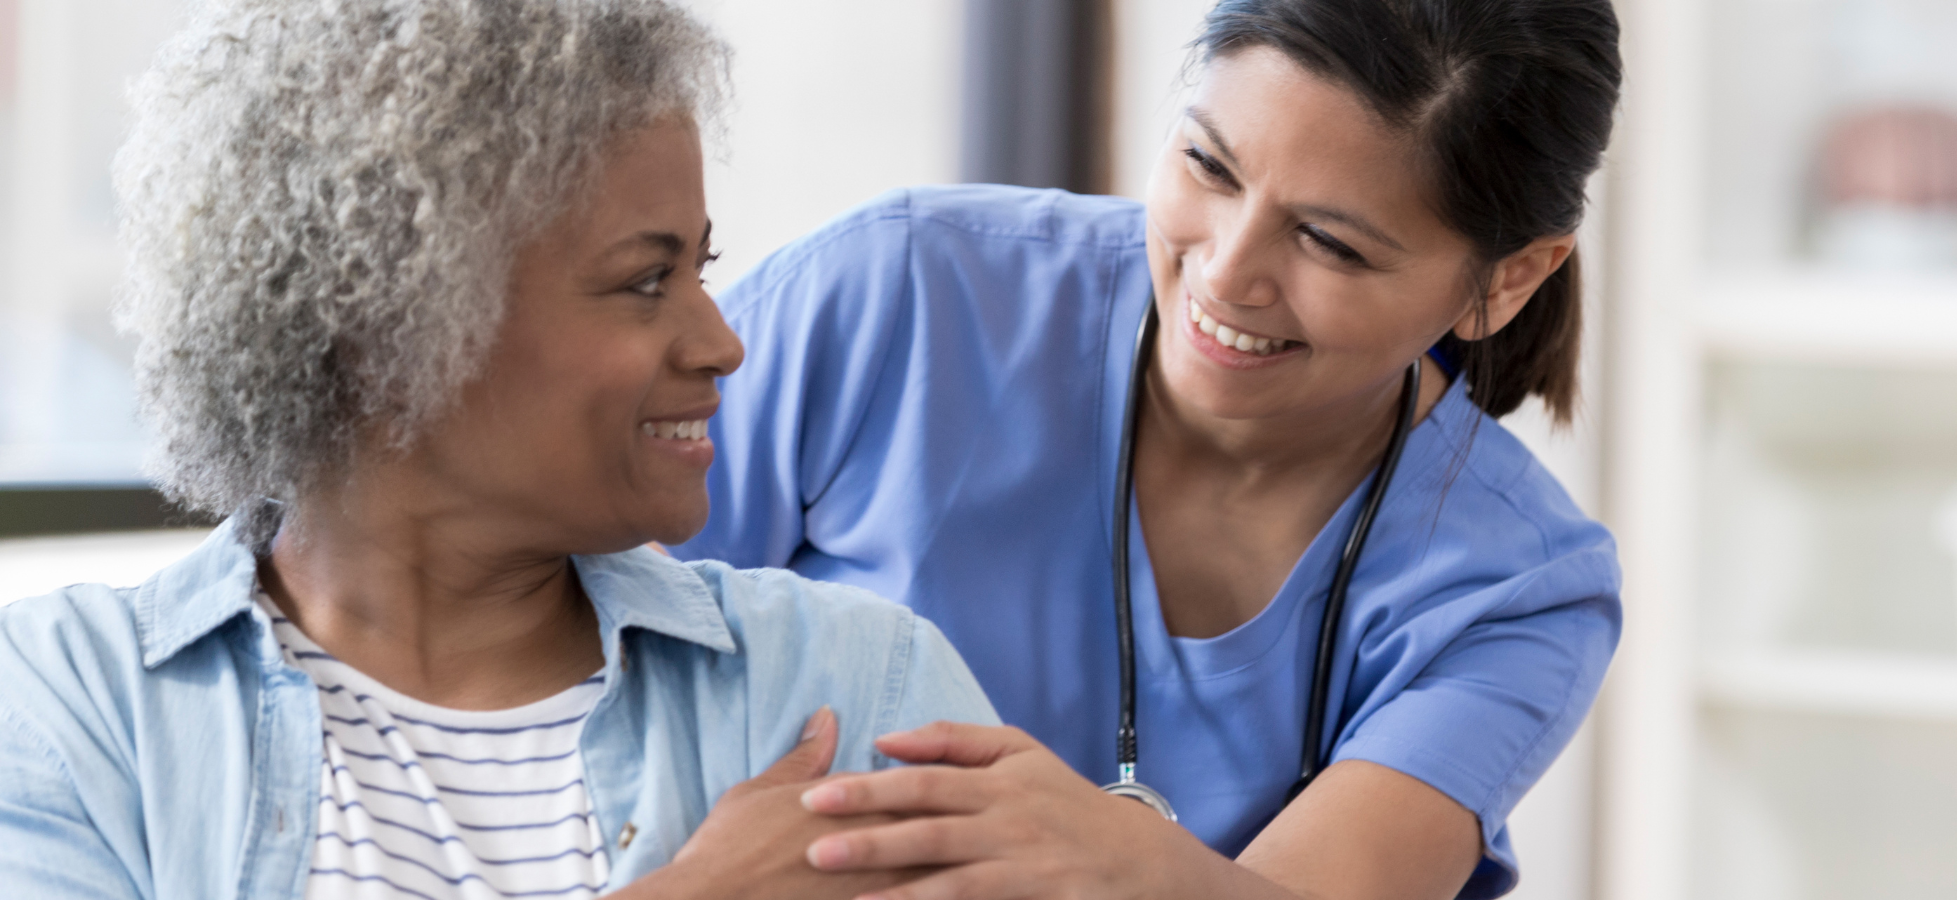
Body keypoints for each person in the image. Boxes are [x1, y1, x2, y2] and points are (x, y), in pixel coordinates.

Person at [0, 2, 995, 898]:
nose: (721, 342)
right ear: (392, 330)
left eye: (702, 266)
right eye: (646, 280)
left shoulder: (856, 679)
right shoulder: (73, 708)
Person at [674, 0, 1625, 897]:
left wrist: (1120, 859)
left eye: (1330, 243)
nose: (1225, 271)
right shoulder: (906, 294)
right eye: (1211, 166)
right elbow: (559, 609)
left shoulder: (1517, 589)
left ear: (1509, 280)